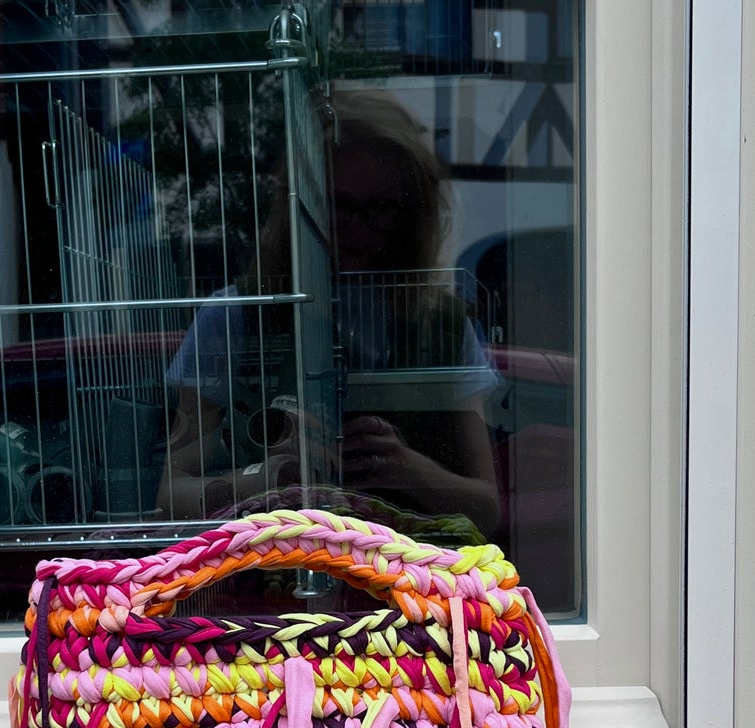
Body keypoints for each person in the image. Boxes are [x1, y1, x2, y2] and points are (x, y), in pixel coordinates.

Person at [158, 89, 502, 538]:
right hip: (266, 586)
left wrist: (408, 471)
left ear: (411, 212)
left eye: (379, 207)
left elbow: (488, 511)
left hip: (410, 586)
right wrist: (272, 479)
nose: (358, 227)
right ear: (301, 206)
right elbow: (169, 498)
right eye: (339, 206)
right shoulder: (234, 318)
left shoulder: (444, 324)